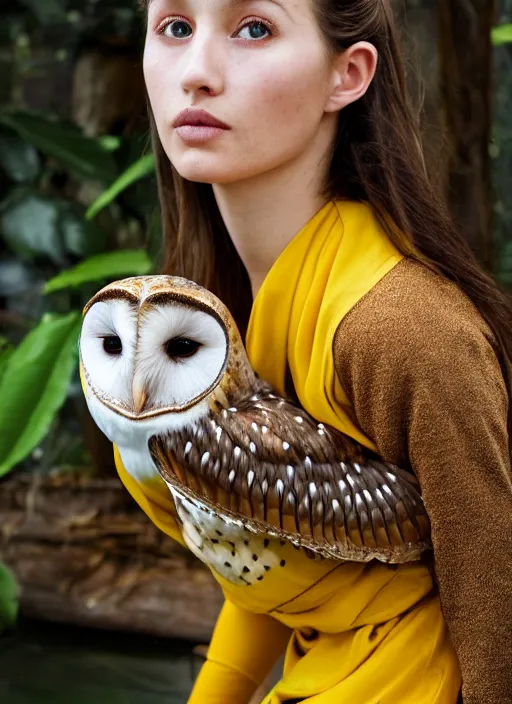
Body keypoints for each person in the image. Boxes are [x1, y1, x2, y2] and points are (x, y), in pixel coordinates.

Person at [118, 0, 512, 701]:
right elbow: (280, 567)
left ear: (347, 75)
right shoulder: (215, 311)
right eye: (174, 27)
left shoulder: (403, 328)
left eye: (254, 28)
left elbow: (495, 608)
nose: (197, 73)